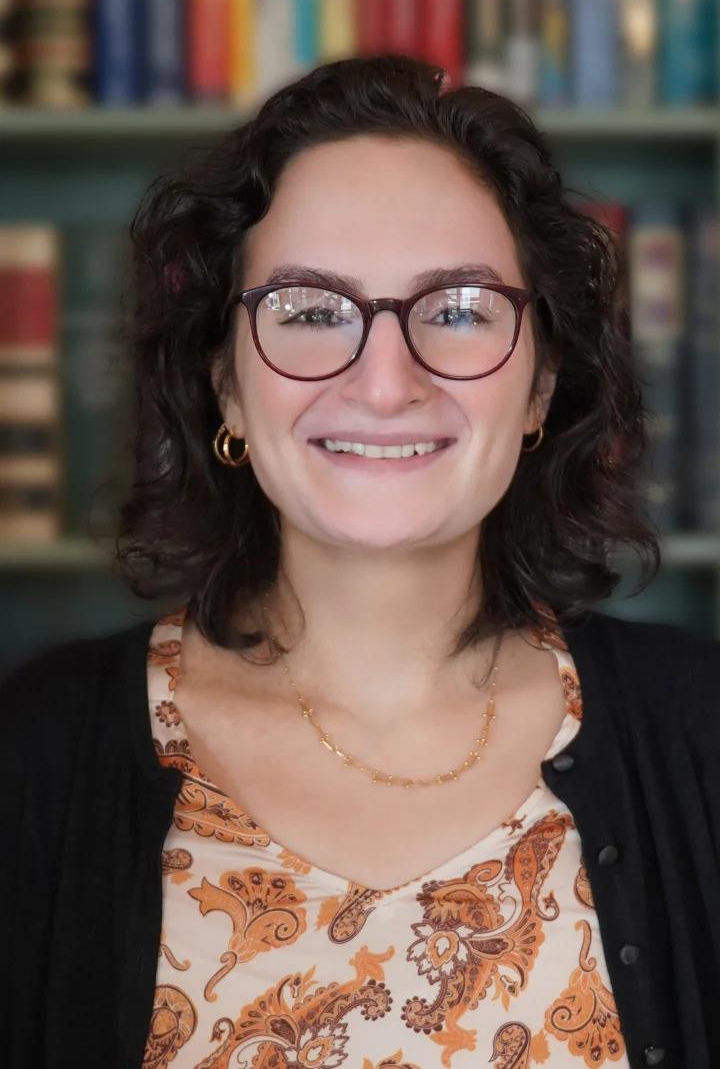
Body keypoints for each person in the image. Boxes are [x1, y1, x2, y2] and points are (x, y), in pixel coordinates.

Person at [1, 55, 718, 1069]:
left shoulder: (700, 738)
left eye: (460, 309)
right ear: (229, 389)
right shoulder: (36, 757)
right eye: (309, 311)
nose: (387, 384)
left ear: (544, 387)